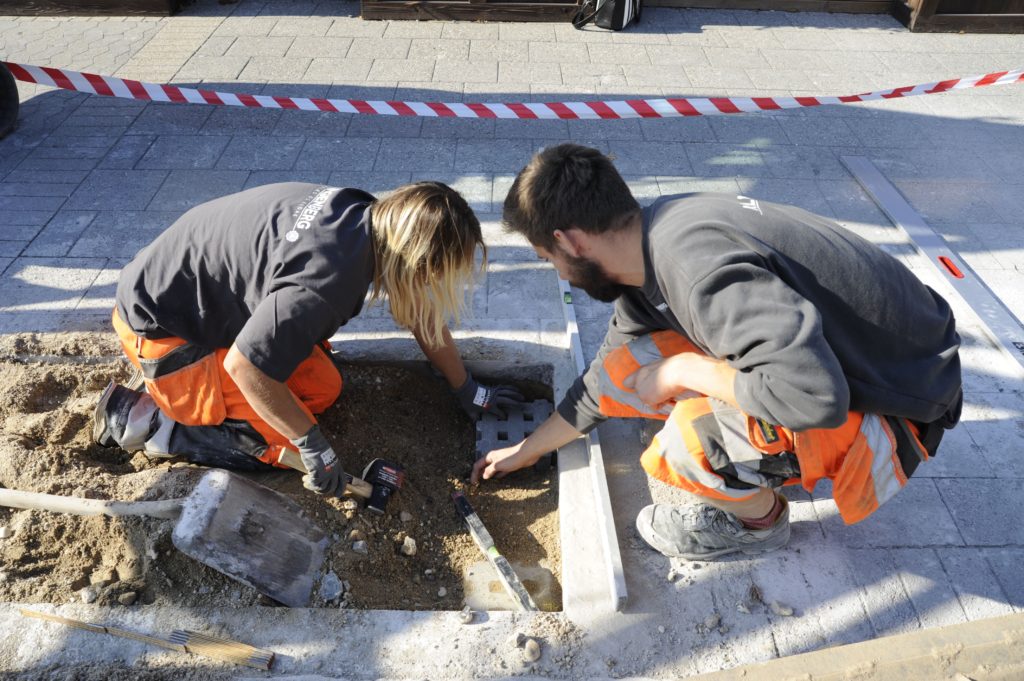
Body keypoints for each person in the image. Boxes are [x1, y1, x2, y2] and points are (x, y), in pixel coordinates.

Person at [472, 144, 963, 560]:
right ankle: (744, 448)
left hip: (903, 401)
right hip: (885, 352)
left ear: (570, 241)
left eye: (548, 258)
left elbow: (817, 398)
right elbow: (605, 379)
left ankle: (760, 524)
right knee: (632, 366)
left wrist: (687, 369)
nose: (558, 275)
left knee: (687, 443)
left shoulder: (696, 273)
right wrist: (526, 450)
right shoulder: (653, 241)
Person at [94, 181, 523, 497]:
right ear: (415, 258)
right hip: (165, 336)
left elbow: (420, 313)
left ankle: (187, 408)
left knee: (321, 388)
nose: (431, 285)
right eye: (432, 273)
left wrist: (467, 388)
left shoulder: (365, 218)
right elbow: (244, 366)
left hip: (196, 305)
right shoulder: (326, 282)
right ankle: (155, 425)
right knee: (280, 439)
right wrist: (314, 447)